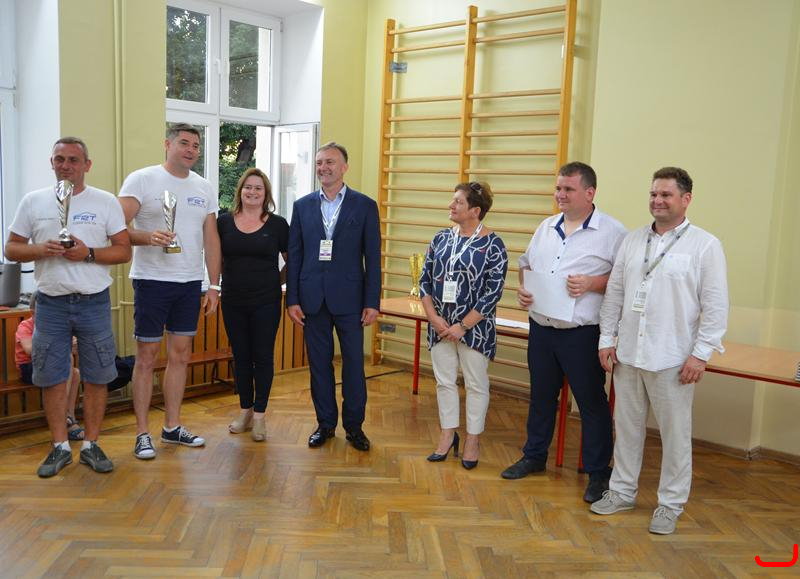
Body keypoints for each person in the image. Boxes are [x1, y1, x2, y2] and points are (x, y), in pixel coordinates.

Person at [591, 167, 728, 535]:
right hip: (628, 354)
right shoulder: (633, 241)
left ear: (686, 199)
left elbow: (715, 306)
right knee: (627, 429)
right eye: (654, 194)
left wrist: (700, 354)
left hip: (673, 359)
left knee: (675, 436)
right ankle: (622, 492)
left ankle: (670, 505)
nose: (657, 201)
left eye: (666, 195)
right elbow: (615, 293)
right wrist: (606, 339)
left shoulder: (705, 245)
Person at [500, 162, 626, 505]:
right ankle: (534, 456)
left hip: (581, 333)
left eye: (568, 189)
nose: (560, 194)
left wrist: (592, 283)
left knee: (591, 403)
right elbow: (526, 265)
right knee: (541, 397)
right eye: (558, 188)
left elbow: (624, 280)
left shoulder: (613, 232)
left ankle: (598, 472)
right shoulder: (546, 226)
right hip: (542, 329)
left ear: (589, 192)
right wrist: (523, 291)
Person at [5, 136, 131, 477]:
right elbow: (11, 249)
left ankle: (91, 445)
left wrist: (88, 253)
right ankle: (60, 446)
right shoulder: (33, 201)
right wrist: (41, 249)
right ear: (52, 163)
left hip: (94, 302)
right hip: (50, 304)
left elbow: (123, 251)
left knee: (98, 375)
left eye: (73, 160)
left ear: (87, 165)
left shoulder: (105, 202)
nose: (66, 165)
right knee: (52, 376)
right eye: (59, 159)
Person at [118, 123, 222, 460]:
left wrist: (214, 284)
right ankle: (142, 433)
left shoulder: (203, 186)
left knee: (180, 356)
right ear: (168, 144)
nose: (191, 150)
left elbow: (211, 239)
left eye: (196, 145)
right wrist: (147, 237)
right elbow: (115, 227)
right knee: (147, 358)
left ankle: (172, 426)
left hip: (190, 283)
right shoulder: (142, 179)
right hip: (151, 280)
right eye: (184, 143)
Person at [286, 142, 380, 451]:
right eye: (319, 162)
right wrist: (292, 299)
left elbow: (373, 258)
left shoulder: (364, 206)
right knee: (319, 365)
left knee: (353, 365)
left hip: (351, 300)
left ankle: (354, 427)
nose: (323, 167)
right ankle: (325, 424)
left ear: (344, 167)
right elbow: (295, 256)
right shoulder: (302, 206)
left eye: (330, 162)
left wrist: (372, 302)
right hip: (312, 299)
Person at [419, 182, 507, 469]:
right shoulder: (441, 238)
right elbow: (424, 281)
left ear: (475, 211)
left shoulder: (493, 245)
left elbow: (492, 293)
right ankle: (447, 435)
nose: (451, 205)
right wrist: (434, 318)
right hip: (440, 326)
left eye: (458, 202)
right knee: (444, 382)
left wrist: (463, 326)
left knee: (476, 385)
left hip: (475, 330)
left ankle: (472, 440)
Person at [217, 168, 288, 441]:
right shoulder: (224, 222)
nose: (252, 192)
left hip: (266, 301)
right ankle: (245, 410)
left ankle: (260, 415)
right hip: (232, 300)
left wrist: (275, 281)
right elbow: (216, 258)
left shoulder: (278, 224)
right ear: (240, 191)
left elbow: (291, 260)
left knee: (263, 356)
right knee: (242, 357)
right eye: (248, 187)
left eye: (258, 188)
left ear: (265, 193)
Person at [15, 291, 83, 440]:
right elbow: (29, 350)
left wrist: (73, 345)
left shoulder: (56, 326)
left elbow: (73, 350)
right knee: (67, 358)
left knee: (76, 373)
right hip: (29, 367)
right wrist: (60, 345)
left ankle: (69, 416)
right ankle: (64, 414)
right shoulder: (25, 326)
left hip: (51, 364)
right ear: (33, 312)